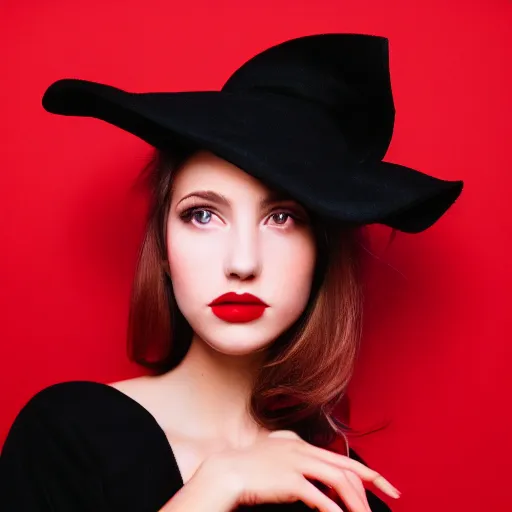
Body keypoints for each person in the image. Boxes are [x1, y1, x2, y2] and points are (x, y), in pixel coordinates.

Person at [0, 33, 463, 512]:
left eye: (281, 218)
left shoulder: (336, 491)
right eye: (203, 214)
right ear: (161, 245)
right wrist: (213, 490)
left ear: (321, 254)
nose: (242, 263)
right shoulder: (68, 437)